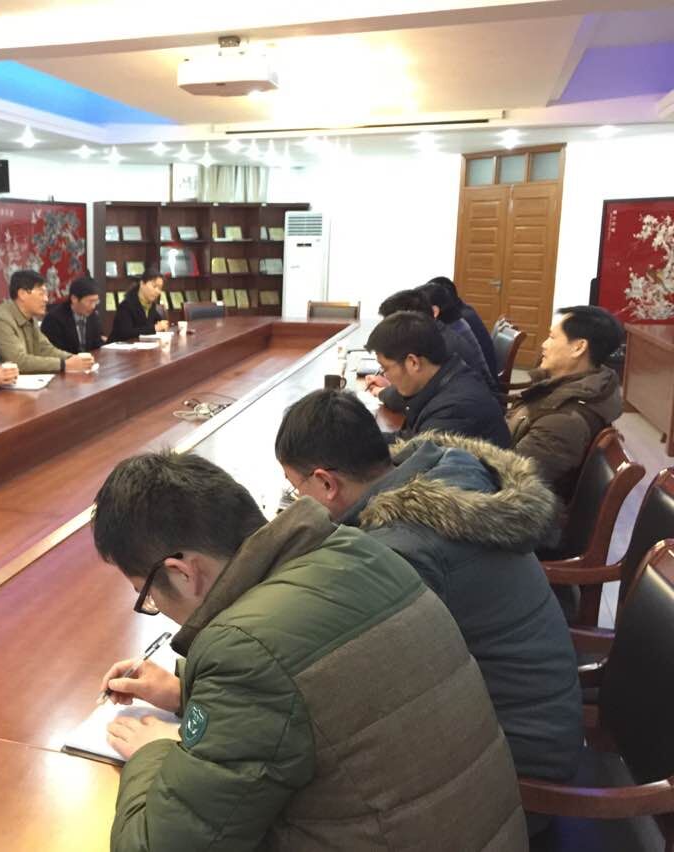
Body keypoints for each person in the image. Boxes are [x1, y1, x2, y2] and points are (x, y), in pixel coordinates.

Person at [92, 451, 525, 852]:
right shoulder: (360, 552)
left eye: (147, 595)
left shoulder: (245, 652)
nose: (156, 607)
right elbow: (319, 691)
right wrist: (185, 690)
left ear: (183, 573)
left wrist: (155, 754)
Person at [275, 389, 582, 799]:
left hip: (515, 764)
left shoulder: (404, 549)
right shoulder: (448, 473)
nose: (297, 501)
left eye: (297, 488)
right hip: (539, 719)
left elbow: (355, 678)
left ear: (326, 483)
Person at [506, 305, 624, 499]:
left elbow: (510, 477)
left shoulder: (564, 420)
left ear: (578, 347)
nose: (544, 344)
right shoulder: (577, 385)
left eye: (552, 337)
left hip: (520, 507)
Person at [365, 311, 510, 446]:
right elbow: (411, 440)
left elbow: (415, 458)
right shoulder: (447, 376)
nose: (385, 375)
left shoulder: (453, 411)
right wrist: (363, 440)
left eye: (385, 368)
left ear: (413, 362)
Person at [370, 289, 494, 409]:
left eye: (393, 324)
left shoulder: (442, 345)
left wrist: (381, 391)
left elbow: (417, 397)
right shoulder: (437, 335)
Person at [0, 269, 94, 374]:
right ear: (22, 294)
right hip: (0, 386)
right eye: (41, 294)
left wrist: (74, 358)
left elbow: (45, 349)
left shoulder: (29, 317)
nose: (46, 299)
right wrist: (63, 364)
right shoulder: (0, 320)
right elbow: (19, 361)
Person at [417, 279, 496, 389]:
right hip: (481, 386)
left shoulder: (450, 335)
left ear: (435, 311)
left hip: (480, 391)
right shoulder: (457, 322)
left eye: (418, 310)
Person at [41, 276, 105, 354]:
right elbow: (53, 351)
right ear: (74, 299)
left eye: (96, 301)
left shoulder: (93, 316)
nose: (93, 306)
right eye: (90, 301)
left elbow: (97, 344)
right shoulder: (54, 319)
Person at [109, 270, 169, 341]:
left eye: (160, 288)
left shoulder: (151, 305)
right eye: (154, 286)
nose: (157, 291)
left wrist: (163, 325)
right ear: (142, 283)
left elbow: (159, 322)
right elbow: (126, 333)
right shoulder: (126, 305)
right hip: (117, 346)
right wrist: (155, 328)